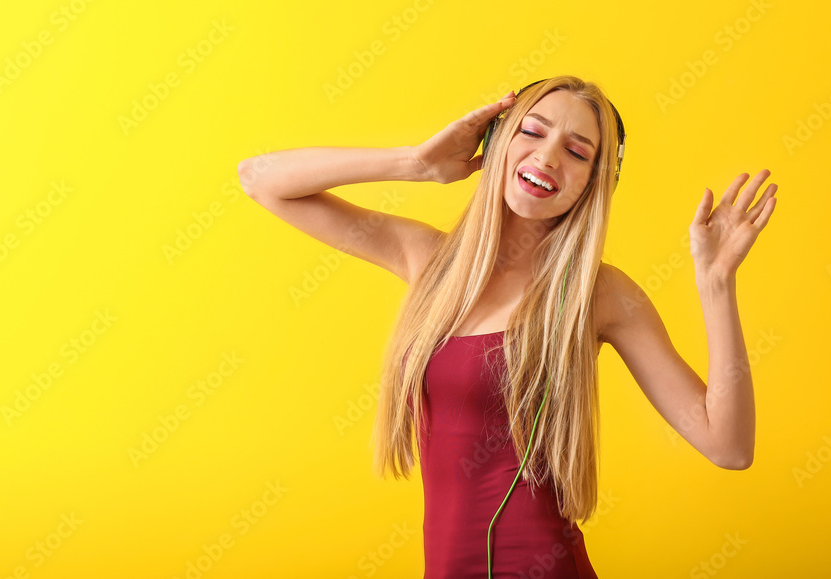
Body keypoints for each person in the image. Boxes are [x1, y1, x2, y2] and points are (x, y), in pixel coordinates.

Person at [236, 75, 777, 578]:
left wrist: (716, 283)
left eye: (577, 151)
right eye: (532, 131)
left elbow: (728, 446)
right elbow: (260, 180)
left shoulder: (598, 294)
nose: (547, 157)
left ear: (594, 182)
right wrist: (418, 163)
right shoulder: (428, 262)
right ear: (496, 143)